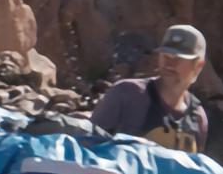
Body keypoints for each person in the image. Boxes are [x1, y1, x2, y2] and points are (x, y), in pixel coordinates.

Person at [91, 23, 213, 154]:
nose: (169, 64)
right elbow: (87, 148)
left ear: (198, 66)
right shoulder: (126, 95)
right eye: (166, 56)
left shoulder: (197, 118)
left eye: (179, 58)